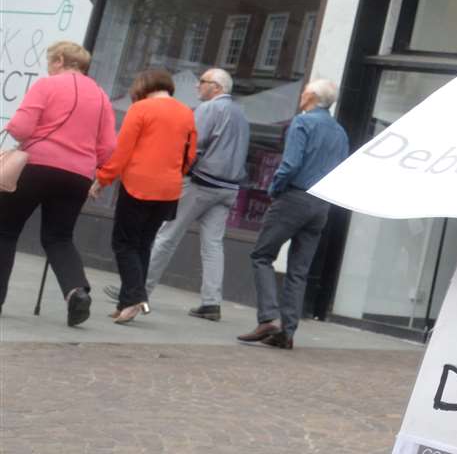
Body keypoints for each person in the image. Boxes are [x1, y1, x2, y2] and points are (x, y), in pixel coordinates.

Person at [0, 41, 117, 325]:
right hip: (77, 175)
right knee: (59, 237)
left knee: (5, 231)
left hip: (36, 166)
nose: (48, 67)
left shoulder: (46, 86)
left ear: (60, 60)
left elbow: (21, 128)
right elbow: (108, 147)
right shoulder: (101, 96)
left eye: (50, 61)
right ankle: (76, 291)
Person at [237, 78, 348, 350]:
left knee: (262, 255)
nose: (301, 94)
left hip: (294, 197)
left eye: (305, 90)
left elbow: (290, 163)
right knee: (299, 270)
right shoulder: (339, 132)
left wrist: (274, 189)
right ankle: (287, 332)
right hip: (321, 204)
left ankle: (268, 318)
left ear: (310, 96)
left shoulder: (302, 122)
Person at [141, 68, 250, 321]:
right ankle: (211, 302)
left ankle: (139, 290)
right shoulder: (240, 114)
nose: (197, 86)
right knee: (212, 245)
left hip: (202, 183)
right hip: (228, 188)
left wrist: (176, 172)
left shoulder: (209, 109)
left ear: (217, 88)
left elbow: (191, 146)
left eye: (203, 82)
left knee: (167, 235)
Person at [93, 69, 197, 325]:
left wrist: (102, 179)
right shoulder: (186, 112)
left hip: (138, 184)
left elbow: (122, 151)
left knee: (124, 243)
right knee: (143, 243)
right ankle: (126, 303)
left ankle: (135, 299)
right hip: (170, 188)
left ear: (142, 87)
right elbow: (190, 155)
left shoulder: (140, 110)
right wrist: (175, 173)